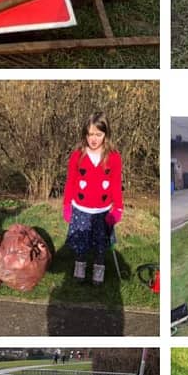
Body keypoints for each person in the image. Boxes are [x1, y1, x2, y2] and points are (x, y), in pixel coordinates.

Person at [62, 112, 124, 285]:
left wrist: (118, 208)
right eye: (90, 134)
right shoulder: (77, 155)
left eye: (98, 134)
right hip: (80, 208)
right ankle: (80, 266)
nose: (94, 139)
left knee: (100, 243)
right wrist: (67, 205)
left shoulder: (113, 157)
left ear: (106, 134)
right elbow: (70, 181)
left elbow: (116, 184)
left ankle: (99, 268)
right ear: (85, 134)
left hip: (102, 210)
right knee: (81, 241)